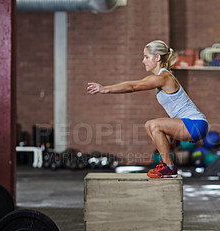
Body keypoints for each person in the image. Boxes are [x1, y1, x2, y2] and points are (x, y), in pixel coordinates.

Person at [86, 40, 208, 178]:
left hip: (195, 124)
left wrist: (105, 89)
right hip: (191, 124)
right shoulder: (160, 77)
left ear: (157, 58)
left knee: (153, 125)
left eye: (146, 57)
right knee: (150, 126)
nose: (143, 61)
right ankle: (167, 165)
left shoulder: (164, 77)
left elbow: (134, 86)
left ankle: (169, 167)